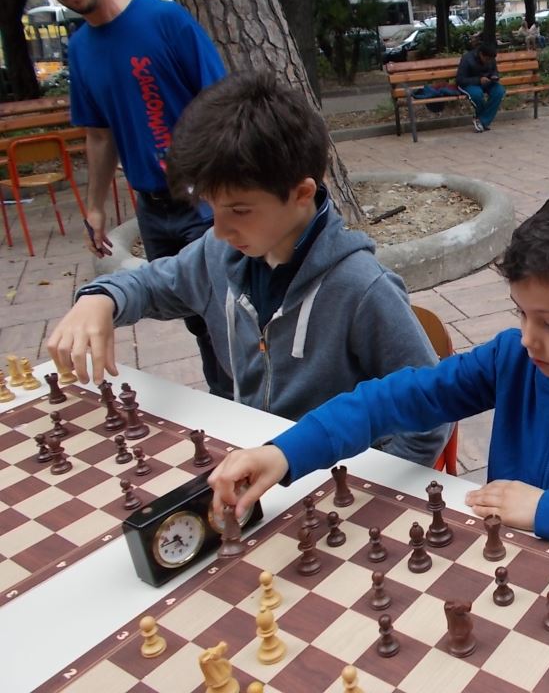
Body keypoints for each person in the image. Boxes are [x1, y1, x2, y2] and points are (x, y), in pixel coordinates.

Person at [209, 184, 549, 571]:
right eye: (520, 313)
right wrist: (285, 451)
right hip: (507, 567)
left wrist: (546, 508)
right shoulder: (512, 359)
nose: (527, 338)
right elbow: (390, 401)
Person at [46, 71, 449, 468]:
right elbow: (150, 285)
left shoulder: (362, 288)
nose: (219, 230)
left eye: (239, 210)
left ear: (301, 194)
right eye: (211, 208)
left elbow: (431, 411)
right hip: (252, 459)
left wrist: (369, 489)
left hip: (329, 481)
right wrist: (100, 299)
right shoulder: (217, 255)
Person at [16, 0, 232, 399]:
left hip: (205, 200)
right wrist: (94, 207)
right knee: (196, 318)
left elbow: (222, 104)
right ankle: (227, 405)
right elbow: (98, 133)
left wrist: (227, 194)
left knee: (228, 316)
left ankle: (250, 409)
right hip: (153, 209)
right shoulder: (80, 49)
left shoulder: (166, 20)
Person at [456, 40, 505, 133]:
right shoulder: (467, 59)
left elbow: (494, 71)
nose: (489, 62)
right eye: (487, 59)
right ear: (481, 54)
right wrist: (478, 80)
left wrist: (494, 76)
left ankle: (482, 121)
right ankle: (482, 121)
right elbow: (460, 79)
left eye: (491, 60)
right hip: (469, 84)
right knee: (477, 94)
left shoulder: (491, 58)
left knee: (499, 91)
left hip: (487, 82)